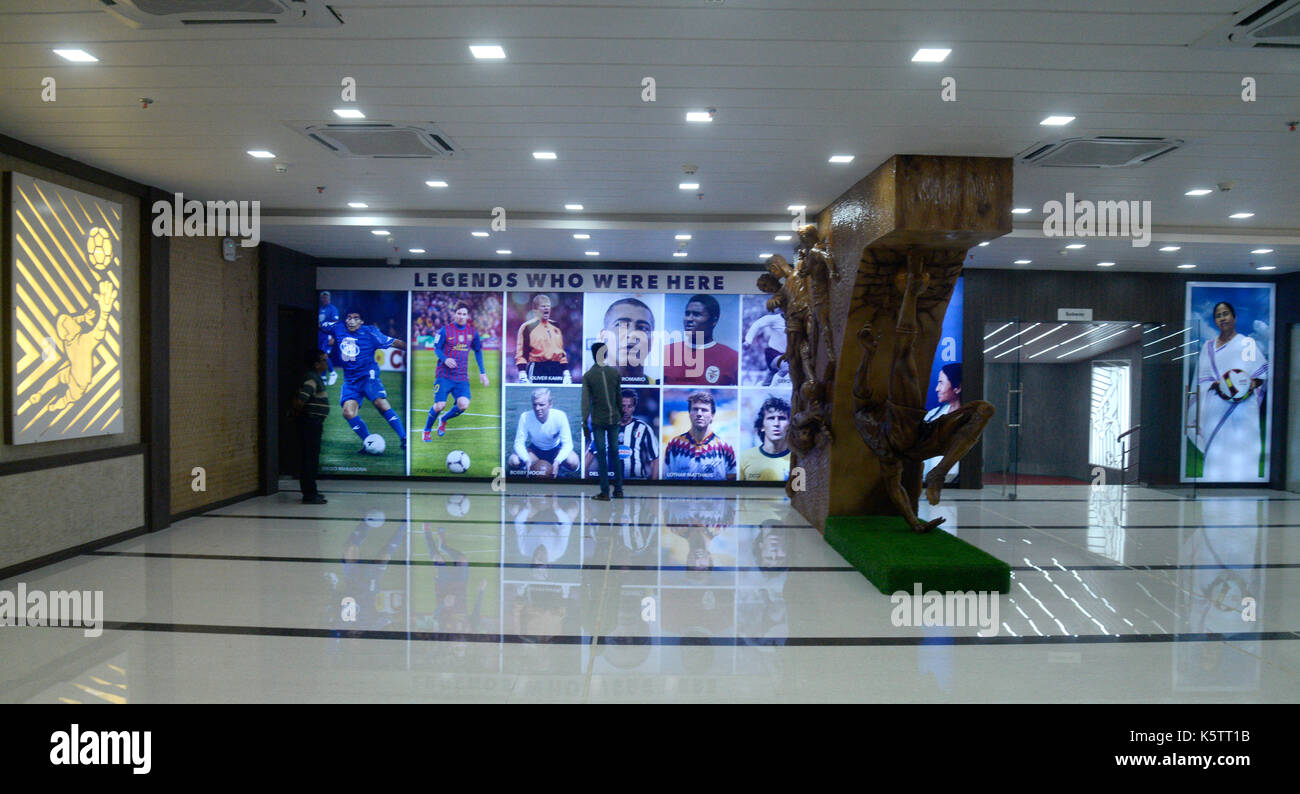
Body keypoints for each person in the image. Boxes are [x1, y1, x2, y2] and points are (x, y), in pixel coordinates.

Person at [1195, 301, 1268, 481]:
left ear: (1234, 317)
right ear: (1215, 321)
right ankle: (1213, 482)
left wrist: (1246, 386)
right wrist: (1221, 385)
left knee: (1242, 445)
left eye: (1225, 314)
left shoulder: (1246, 344)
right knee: (1216, 448)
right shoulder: (1208, 347)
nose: (1222, 318)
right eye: (1218, 316)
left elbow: (1260, 376)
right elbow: (1202, 379)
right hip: (1215, 406)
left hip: (1242, 408)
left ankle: (1244, 482)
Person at [319, 309, 408, 453]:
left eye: (356, 318)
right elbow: (321, 325)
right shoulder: (338, 327)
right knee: (348, 412)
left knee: (380, 403)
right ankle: (369, 442)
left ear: (361, 321)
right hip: (350, 380)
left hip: (368, 376)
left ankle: (404, 439)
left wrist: (412, 349)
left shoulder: (370, 332)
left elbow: (393, 342)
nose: (352, 321)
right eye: (349, 318)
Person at [424, 302, 490, 440]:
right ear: (454, 314)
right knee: (439, 405)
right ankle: (426, 431)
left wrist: (482, 372)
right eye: (459, 313)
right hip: (444, 376)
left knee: (463, 404)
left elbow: (478, 351)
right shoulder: (444, 330)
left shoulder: (472, 332)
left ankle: (443, 420)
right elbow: (437, 348)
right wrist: (445, 359)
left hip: (461, 377)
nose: (461, 316)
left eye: (464, 314)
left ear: (468, 316)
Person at [662, 294, 739, 385]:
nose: (689, 319)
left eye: (696, 314)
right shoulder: (666, 352)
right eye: (687, 314)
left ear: (714, 321)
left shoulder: (732, 357)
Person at [585, 388, 659, 481]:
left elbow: (655, 459)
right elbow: (588, 457)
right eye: (622, 406)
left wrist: (652, 487)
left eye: (629, 406)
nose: (625, 410)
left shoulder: (644, 428)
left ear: (634, 407)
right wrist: (587, 484)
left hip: (638, 483)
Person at [582, 342, 625, 500]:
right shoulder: (614, 373)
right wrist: (619, 414)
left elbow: (586, 402)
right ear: (605, 354)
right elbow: (619, 397)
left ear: (593, 355)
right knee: (614, 452)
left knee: (601, 453)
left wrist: (584, 422)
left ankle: (605, 492)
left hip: (599, 421)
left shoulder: (589, 376)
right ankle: (618, 490)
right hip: (613, 419)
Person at [663, 391, 737, 480]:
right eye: (695, 409)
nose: (699, 414)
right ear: (689, 414)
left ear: (712, 416)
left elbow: (732, 484)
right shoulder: (674, 444)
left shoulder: (725, 447)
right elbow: (667, 480)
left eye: (704, 410)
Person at [290, 349, 330, 504]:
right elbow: (301, 400)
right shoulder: (312, 379)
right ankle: (309, 494)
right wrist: (300, 415)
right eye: (323, 360)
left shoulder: (315, 377)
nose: (326, 363)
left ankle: (312, 491)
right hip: (310, 424)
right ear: (316, 364)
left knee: (311, 458)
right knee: (309, 459)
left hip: (312, 423)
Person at [509, 388, 580, 476]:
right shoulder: (525, 417)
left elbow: (568, 444)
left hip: (556, 449)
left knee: (573, 462)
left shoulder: (560, 416)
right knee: (513, 460)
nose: (537, 408)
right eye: (535, 405)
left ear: (550, 404)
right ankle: (533, 466)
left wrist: (558, 460)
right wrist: (526, 459)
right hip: (535, 450)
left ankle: (559, 469)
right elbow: (518, 443)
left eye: (541, 405)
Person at [922, 363, 964, 486]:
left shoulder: (970, 419)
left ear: (957, 387)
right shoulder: (932, 415)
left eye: (941, 383)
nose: (937, 388)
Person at [598, 297, 657, 384]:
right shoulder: (583, 383)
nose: (632, 334)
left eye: (643, 328)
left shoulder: (660, 388)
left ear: (651, 342)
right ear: (603, 337)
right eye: (621, 325)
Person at [515, 294, 570, 384]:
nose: (546, 308)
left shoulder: (556, 326)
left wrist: (566, 372)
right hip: (537, 368)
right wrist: (522, 373)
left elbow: (561, 352)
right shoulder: (527, 327)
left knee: (555, 396)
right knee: (538, 396)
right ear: (536, 309)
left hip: (556, 369)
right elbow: (521, 353)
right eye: (543, 306)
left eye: (548, 306)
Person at [739, 396, 790, 481]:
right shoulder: (745, 457)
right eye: (771, 418)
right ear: (762, 426)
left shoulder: (798, 459)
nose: (776, 423)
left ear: (789, 426)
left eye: (782, 418)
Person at [744, 310, 789, 386]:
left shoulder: (796, 321)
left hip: (787, 355)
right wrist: (748, 341)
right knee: (786, 368)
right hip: (773, 353)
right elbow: (757, 324)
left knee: (767, 383)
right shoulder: (774, 319)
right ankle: (772, 388)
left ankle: (762, 387)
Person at [318, 291, 339, 386]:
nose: (324, 299)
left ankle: (332, 373)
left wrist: (333, 337)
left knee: (324, 355)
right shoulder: (319, 308)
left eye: (326, 297)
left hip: (327, 336)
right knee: (320, 355)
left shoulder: (332, 309)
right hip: (319, 335)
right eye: (323, 297)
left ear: (329, 299)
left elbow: (335, 323)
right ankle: (323, 377)